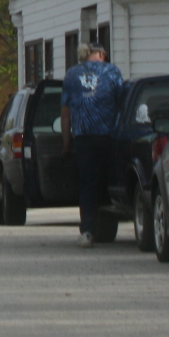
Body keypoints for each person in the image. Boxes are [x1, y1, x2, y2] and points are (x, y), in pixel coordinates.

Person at [61, 44, 127, 246]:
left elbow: (65, 112)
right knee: (110, 182)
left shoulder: (71, 75)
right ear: (100, 54)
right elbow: (123, 102)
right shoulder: (112, 71)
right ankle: (109, 226)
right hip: (109, 136)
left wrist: (66, 142)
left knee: (88, 184)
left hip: (84, 137)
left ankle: (88, 230)